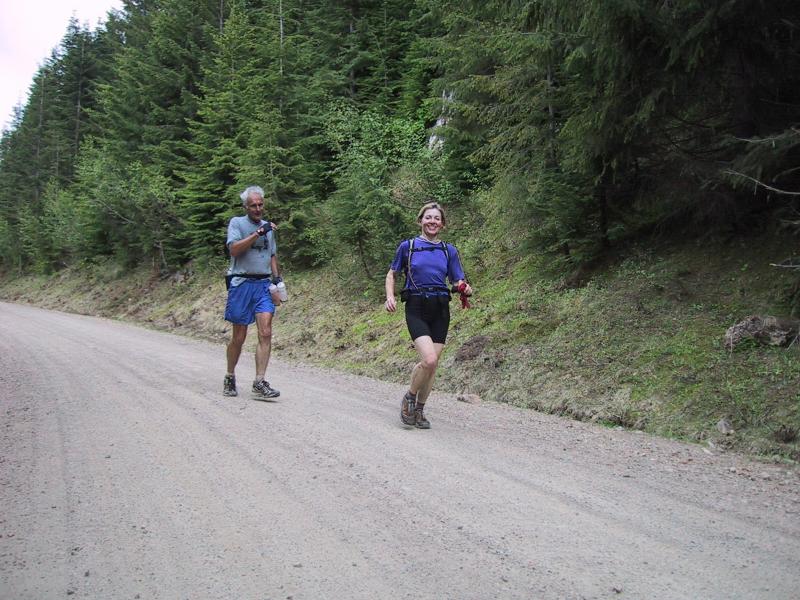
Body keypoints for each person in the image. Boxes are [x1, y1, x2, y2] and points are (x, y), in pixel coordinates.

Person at [384, 201, 473, 428]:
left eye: (436, 218)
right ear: (420, 221)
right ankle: (409, 398)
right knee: (429, 359)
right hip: (416, 306)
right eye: (428, 217)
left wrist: (464, 287)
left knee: (433, 364)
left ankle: (420, 410)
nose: (432, 221)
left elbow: (456, 279)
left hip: (441, 308)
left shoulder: (448, 250)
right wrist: (390, 296)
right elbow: (392, 273)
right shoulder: (409, 246)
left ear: (442, 224)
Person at [223, 185, 282, 400]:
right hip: (241, 283)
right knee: (239, 336)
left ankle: (259, 381)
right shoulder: (237, 224)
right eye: (253, 206)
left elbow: (272, 255)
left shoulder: (268, 227)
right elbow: (234, 250)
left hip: (263, 285)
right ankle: (230, 375)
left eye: (260, 204)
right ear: (246, 207)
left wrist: (278, 281)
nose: (258, 209)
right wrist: (258, 233)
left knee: (265, 332)